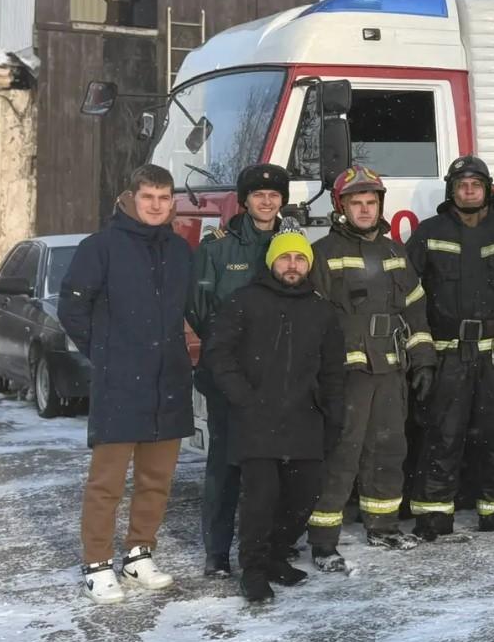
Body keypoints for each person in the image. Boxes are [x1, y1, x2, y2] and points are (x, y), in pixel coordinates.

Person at [59, 164, 195, 604]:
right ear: (130, 199)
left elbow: (187, 312)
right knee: (108, 483)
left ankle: (139, 553)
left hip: (169, 380)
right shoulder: (101, 247)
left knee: (157, 478)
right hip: (120, 383)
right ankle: (97, 564)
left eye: (163, 198)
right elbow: (72, 310)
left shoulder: (179, 251)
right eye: (147, 197)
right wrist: (106, 355)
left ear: (172, 203)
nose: (155, 205)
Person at [404, 155, 494, 539]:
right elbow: (407, 293)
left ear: (487, 190)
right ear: (452, 190)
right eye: (462, 185)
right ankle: (433, 514)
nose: (469, 191)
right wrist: (420, 353)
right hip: (448, 351)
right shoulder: (428, 232)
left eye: (476, 185)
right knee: (442, 433)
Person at [306, 164, 436, 570]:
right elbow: (313, 317)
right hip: (349, 373)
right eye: (356, 202)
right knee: (342, 453)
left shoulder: (396, 251)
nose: (364, 209)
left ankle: (383, 526)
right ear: (341, 206)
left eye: (371, 202)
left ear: (381, 205)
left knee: (389, 447)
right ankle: (323, 540)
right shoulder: (323, 253)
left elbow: (415, 308)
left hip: (392, 367)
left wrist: (425, 359)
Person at [203, 232, 345, 602]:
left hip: (305, 418)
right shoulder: (245, 302)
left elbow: (333, 370)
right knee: (260, 499)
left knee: (303, 496)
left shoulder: (321, 310)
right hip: (256, 420)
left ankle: (277, 555)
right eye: (285, 259)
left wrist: (333, 414)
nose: (293, 265)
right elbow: (219, 354)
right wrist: (244, 399)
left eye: (300, 259)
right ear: (272, 263)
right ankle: (253, 570)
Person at [185, 162, 287, 577]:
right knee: (226, 464)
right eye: (258, 195)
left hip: (280, 374)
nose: (266, 201)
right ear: (244, 201)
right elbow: (198, 306)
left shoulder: (292, 242)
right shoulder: (218, 247)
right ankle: (218, 552)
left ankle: (272, 546)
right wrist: (230, 354)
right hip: (229, 374)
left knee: (277, 463)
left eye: (274, 195)